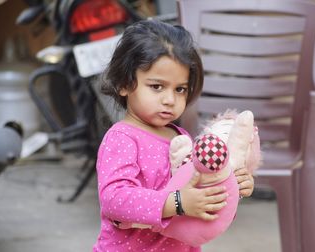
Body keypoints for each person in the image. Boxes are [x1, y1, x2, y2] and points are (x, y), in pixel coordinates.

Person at [93, 19, 255, 252]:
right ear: (124, 84)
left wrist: (232, 186)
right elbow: (114, 200)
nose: (170, 99)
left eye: (180, 89)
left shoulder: (180, 137)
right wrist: (178, 202)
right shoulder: (122, 139)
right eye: (157, 86)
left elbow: (201, 198)